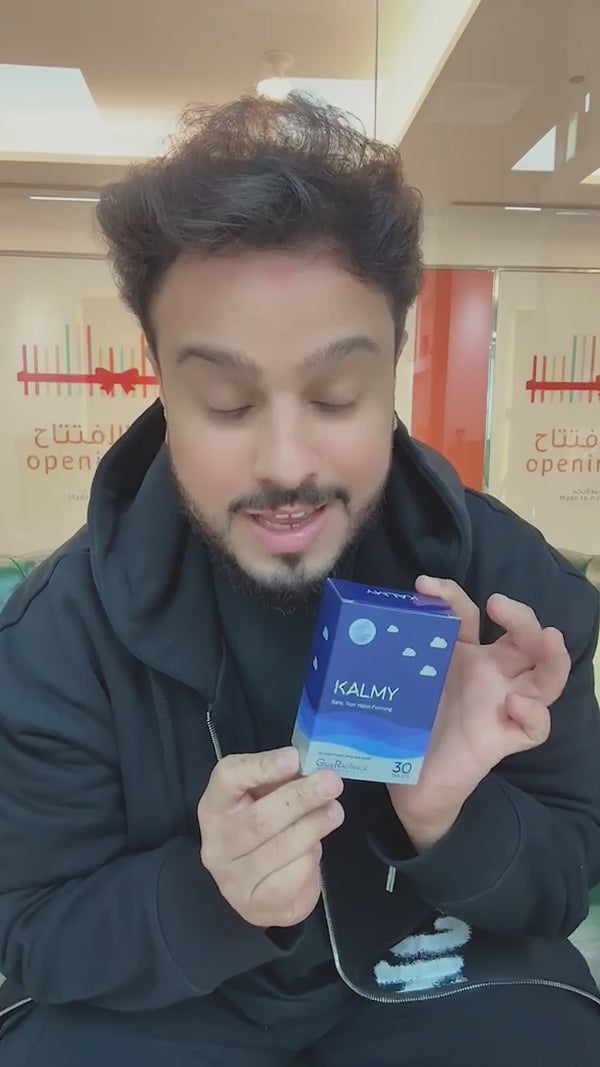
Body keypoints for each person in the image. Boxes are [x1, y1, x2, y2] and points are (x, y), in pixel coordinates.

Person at [0, 95, 599, 1067]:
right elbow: (30, 925)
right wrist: (208, 897)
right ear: (160, 381)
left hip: (436, 978)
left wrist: (451, 818)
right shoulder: (58, 635)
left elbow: (565, 878)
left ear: (394, 366)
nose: (285, 463)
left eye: (335, 394)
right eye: (226, 401)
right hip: (166, 1006)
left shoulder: (505, 588)